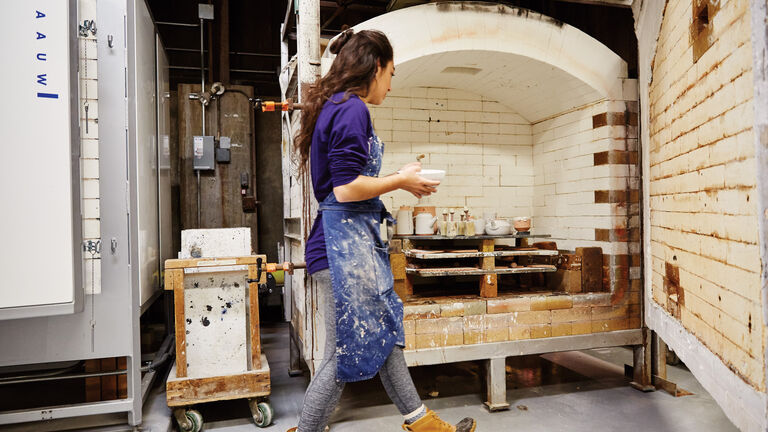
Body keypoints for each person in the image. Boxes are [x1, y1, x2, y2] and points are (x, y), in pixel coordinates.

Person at [287, 29, 477, 432]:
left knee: (385, 332)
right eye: (391, 73)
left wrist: (397, 178)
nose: (391, 83)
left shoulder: (334, 106)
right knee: (345, 352)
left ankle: (420, 421)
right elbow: (346, 187)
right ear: (376, 67)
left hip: (348, 245)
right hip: (342, 251)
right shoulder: (352, 109)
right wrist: (401, 180)